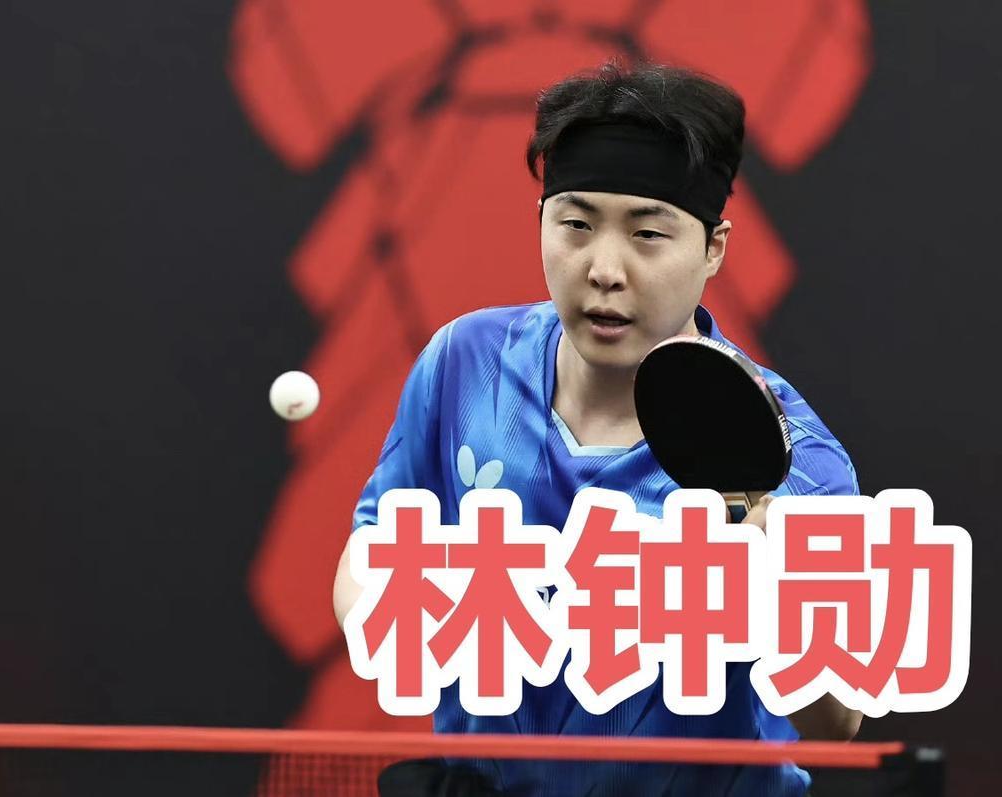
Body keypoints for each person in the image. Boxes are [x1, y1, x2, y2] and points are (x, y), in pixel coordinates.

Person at [333, 59, 863, 797]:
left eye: (647, 234)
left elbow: (836, 722)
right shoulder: (464, 362)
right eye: (576, 226)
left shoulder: (792, 460)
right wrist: (403, 622)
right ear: (541, 222)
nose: (604, 269)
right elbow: (371, 549)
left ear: (713, 248)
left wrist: (773, 586)